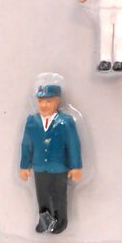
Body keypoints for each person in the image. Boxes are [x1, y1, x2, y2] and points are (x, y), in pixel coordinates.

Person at [18, 82, 83, 234]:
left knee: (59, 195)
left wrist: (76, 167)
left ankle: (60, 221)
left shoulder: (65, 121)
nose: (44, 105)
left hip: (59, 167)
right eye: (40, 101)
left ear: (57, 101)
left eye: (48, 101)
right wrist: (24, 165)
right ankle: (44, 220)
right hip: (39, 166)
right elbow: (26, 144)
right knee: (42, 195)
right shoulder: (32, 121)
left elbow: (73, 144)